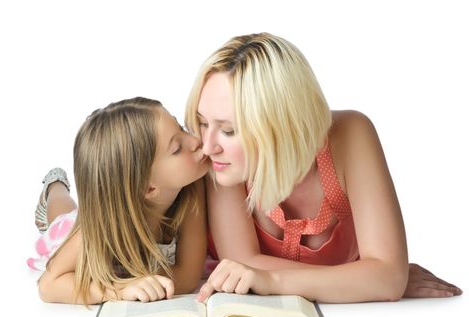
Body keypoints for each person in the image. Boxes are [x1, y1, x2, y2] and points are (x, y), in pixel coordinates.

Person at [184, 33, 462, 303]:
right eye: (203, 123)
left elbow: (387, 278)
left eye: (229, 130)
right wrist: (361, 280)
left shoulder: (351, 135)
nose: (207, 147)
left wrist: (273, 280)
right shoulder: (222, 164)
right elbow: (241, 264)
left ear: (283, 125)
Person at [27, 97, 210, 305]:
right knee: (61, 215)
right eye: (177, 148)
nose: (195, 141)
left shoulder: (193, 188)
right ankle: (54, 185)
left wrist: (146, 281)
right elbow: (49, 285)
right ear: (148, 188)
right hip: (75, 227)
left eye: (183, 129)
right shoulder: (99, 227)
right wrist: (119, 290)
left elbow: (187, 277)